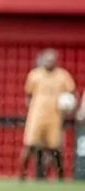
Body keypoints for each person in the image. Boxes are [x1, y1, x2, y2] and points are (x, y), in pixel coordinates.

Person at [19, 49, 76, 181]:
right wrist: (32, 109)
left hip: (55, 117)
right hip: (36, 117)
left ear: (56, 61)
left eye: (51, 60)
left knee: (55, 149)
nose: (49, 62)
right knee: (29, 145)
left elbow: (72, 93)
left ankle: (60, 177)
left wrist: (69, 107)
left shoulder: (63, 75)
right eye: (46, 59)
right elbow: (28, 95)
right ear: (42, 60)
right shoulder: (34, 75)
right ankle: (21, 176)